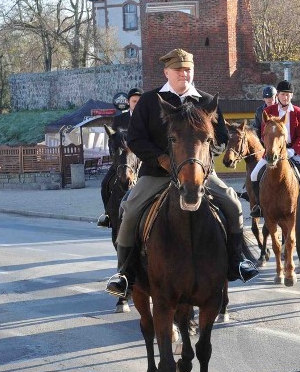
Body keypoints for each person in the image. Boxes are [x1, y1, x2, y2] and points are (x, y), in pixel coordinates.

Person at [105, 48, 258, 298]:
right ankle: (124, 273)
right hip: (158, 173)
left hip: (199, 175)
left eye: (187, 70)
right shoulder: (149, 101)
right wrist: (161, 158)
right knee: (130, 208)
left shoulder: (207, 101)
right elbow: (135, 138)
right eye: (178, 70)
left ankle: (237, 260)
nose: (183, 74)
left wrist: (203, 159)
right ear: (167, 72)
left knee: (232, 202)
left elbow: (220, 139)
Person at [249, 80, 300, 217]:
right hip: (272, 151)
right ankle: (258, 206)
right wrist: (270, 149)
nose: (286, 97)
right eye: (283, 94)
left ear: (291, 96)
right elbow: (263, 134)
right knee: (254, 174)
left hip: (294, 150)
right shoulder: (268, 111)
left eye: (288, 95)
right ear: (277, 95)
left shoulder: (299, 112)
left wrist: (292, 150)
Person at [98, 88, 142, 228]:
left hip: (141, 160)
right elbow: (112, 140)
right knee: (105, 184)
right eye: (134, 101)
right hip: (121, 161)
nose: (137, 103)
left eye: (139, 101)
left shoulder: (147, 119)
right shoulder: (119, 119)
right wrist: (114, 155)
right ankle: (107, 215)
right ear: (128, 102)